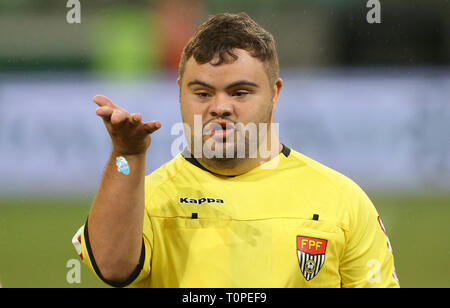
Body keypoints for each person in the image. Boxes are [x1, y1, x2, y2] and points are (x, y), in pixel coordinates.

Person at [72, 12, 399, 288]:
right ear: (180, 93)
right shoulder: (148, 197)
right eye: (202, 93)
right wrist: (127, 154)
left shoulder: (342, 201)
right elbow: (112, 268)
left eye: (240, 92)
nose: (220, 107)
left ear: (275, 93)